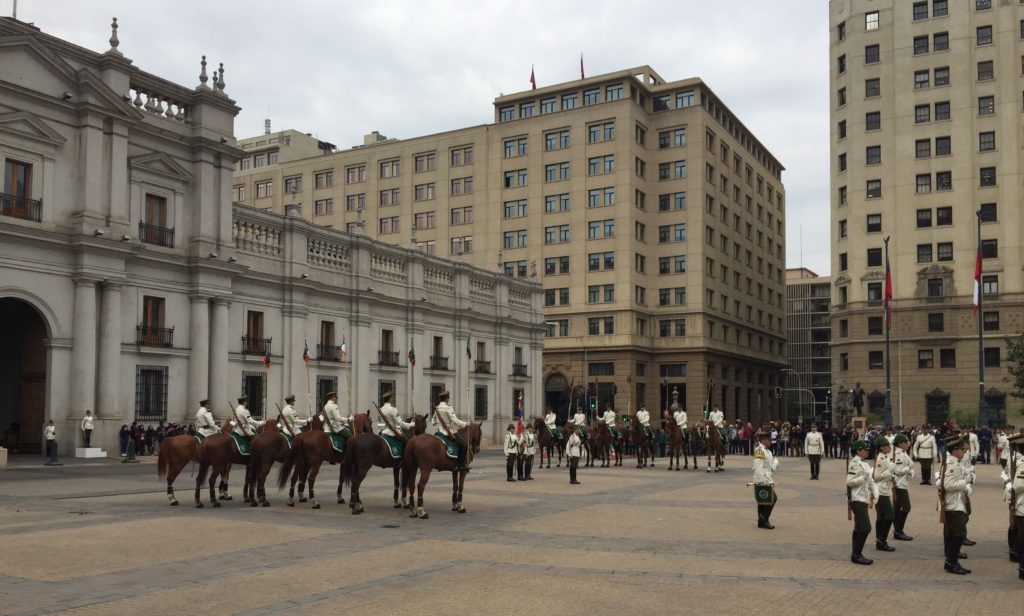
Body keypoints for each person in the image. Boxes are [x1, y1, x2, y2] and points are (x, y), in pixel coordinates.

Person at [940, 436, 971, 575]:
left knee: (957, 533)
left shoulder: (955, 462)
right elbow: (948, 485)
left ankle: (951, 561)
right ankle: (951, 562)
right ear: (955, 450)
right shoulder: (952, 465)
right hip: (953, 503)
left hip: (957, 501)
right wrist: (964, 483)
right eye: (962, 450)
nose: (964, 452)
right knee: (960, 533)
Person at [847, 440, 876, 565]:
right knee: (866, 527)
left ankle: (855, 553)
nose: (867, 451)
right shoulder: (854, 463)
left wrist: (875, 492)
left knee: (859, 527)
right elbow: (850, 482)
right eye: (865, 449)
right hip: (857, 498)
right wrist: (862, 477)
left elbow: (870, 481)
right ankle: (856, 554)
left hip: (864, 498)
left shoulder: (864, 463)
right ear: (858, 451)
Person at [433, 390, 470, 471]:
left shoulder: (437, 408)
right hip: (448, 432)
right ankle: (461, 465)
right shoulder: (448, 407)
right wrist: (465, 424)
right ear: (447, 399)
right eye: (448, 398)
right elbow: (455, 420)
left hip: (439, 432)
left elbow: (433, 421)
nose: (448, 399)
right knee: (465, 445)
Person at [872, 437, 896, 552]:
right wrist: (890, 471)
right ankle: (882, 540)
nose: (889, 447)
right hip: (881, 491)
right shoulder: (881, 460)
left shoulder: (884, 457)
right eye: (887, 445)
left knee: (881, 516)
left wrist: (891, 476)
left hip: (884, 489)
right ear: (882, 447)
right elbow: (876, 476)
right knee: (890, 515)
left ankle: (880, 541)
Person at [1005, 434, 1024, 576]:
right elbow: (1017, 484)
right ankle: (1015, 553)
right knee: (1015, 528)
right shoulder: (1020, 462)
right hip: (1020, 502)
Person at [752, 430, 779, 529]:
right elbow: (758, 468)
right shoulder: (759, 450)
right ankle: (765, 520)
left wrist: (775, 464)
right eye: (769, 440)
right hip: (762, 480)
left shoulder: (767, 450)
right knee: (771, 499)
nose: (771, 442)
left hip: (767, 478)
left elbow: (768, 467)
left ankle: (761, 521)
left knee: (763, 501)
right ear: (763, 440)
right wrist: (762, 481)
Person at [892, 434, 915, 541]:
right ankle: (898, 531)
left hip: (902, 483)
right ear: (900, 444)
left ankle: (897, 530)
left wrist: (910, 471)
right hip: (899, 484)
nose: (908, 443)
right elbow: (896, 471)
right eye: (906, 442)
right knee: (906, 507)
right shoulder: (898, 454)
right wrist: (908, 470)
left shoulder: (903, 453)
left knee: (897, 508)